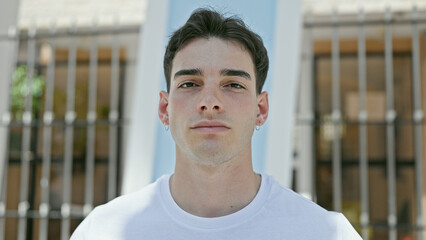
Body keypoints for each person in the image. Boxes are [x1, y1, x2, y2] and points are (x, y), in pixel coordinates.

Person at [71, 8, 362, 240]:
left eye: (233, 84)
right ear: (164, 108)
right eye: (189, 83)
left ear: (261, 109)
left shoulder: (325, 233)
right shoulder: (102, 231)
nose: (210, 101)